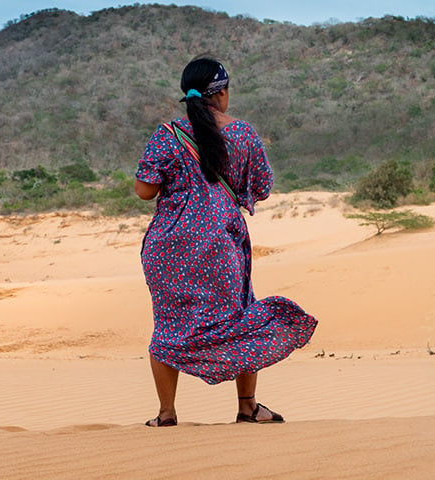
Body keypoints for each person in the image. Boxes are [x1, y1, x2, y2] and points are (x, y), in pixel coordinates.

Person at [134, 57, 317, 426]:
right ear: (224, 93)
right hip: (221, 244)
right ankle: (247, 407)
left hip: (168, 246)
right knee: (240, 318)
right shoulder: (245, 135)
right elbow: (262, 188)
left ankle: (166, 414)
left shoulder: (167, 135)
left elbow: (143, 190)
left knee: (168, 325)